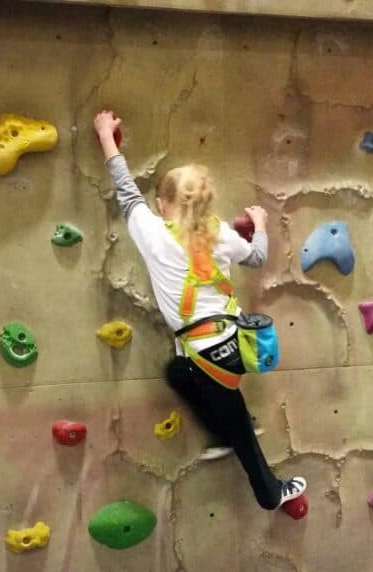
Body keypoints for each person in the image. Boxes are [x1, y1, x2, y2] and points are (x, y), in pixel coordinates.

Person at [94, 110, 306, 510]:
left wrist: (106, 134)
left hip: (209, 352)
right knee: (177, 373)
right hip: (229, 342)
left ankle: (268, 491)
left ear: (162, 205)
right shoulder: (220, 232)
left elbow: (125, 189)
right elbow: (257, 256)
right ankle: (224, 434)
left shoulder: (153, 232)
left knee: (239, 424)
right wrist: (259, 222)